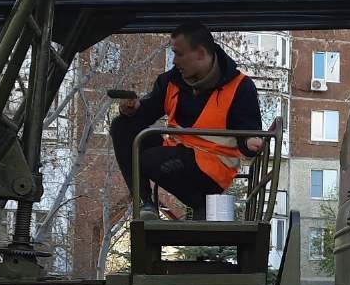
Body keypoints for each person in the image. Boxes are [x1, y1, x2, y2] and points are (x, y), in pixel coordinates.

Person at [110, 21, 265, 218]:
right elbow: (145, 113)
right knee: (121, 126)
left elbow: (249, 134)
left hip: (212, 170)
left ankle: (201, 204)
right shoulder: (170, 81)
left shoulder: (240, 87)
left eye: (179, 54)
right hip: (178, 154)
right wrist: (131, 110)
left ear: (200, 53)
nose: (174, 61)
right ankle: (144, 204)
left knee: (145, 160)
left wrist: (249, 142)